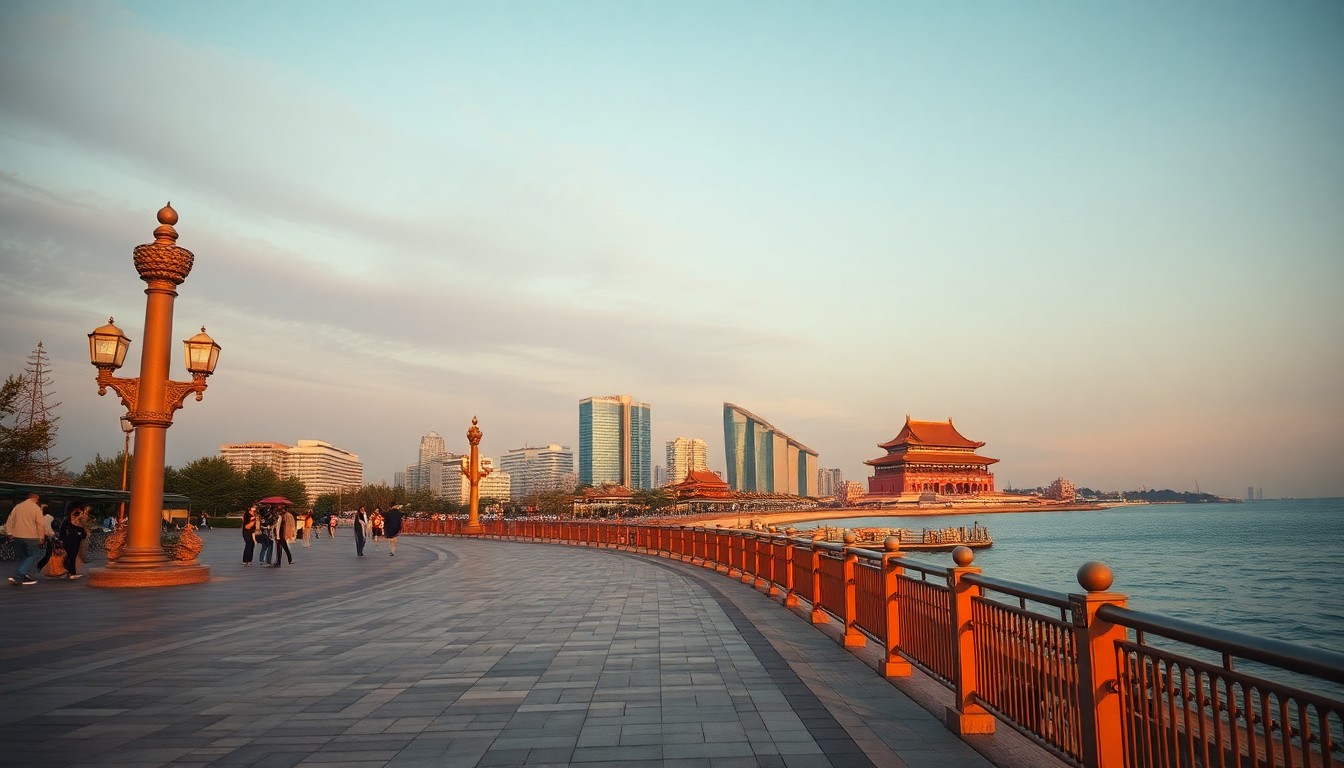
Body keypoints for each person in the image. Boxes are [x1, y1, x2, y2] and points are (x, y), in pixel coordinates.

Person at [7, 494, 47, 585]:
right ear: (35, 499)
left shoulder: (17, 507)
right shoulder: (36, 508)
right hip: (31, 537)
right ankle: (20, 575)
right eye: (38, 500)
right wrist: (42, 538)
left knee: (24, 557)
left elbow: (10, 520)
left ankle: (24, 575)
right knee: (37, 553)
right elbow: (40, 524)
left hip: (17, 536)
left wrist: (9, 533)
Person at [60, 504, 90, 580]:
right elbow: (82, 532)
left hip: (67, 541)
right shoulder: (74, 523)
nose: (82, 515)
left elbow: (62, 532)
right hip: (73, 541)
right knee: (72, 556)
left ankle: (68, 571)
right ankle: (72, 573)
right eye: (81, 513)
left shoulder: (66, 521)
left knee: (70, 556)